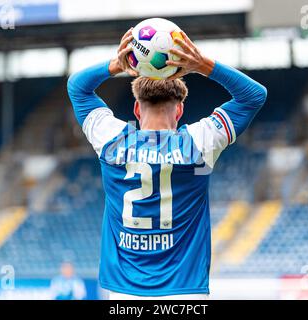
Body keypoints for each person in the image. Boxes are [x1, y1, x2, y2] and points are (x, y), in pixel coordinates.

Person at [67, 28, 267, 299]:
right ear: (180, 110)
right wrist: (201, 65)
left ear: (137, 110)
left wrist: (117, 65)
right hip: (184, 293)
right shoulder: (198, 142)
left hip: (125, 294)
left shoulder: (112, 140)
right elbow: (254, 96)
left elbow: (77, 87)